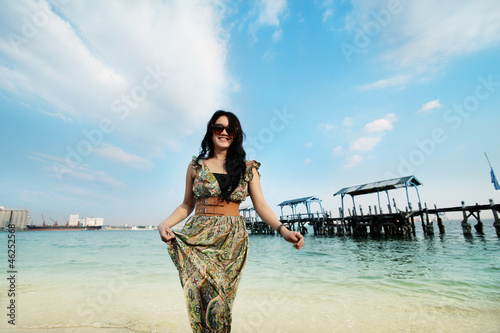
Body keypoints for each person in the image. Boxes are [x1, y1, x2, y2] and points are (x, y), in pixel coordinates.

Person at [159, 110, 304, 332]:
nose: (224, 132)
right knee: (205, 297)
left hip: (232, 242)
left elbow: (261, 206)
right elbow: (187, 205)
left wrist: (283, 230)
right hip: (198, 239)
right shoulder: (195, 166)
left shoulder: (248, 169)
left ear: (236, 135)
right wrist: (165, 224)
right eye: (219, 127)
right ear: (211, 131)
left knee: (222, 303)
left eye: (230, 129)